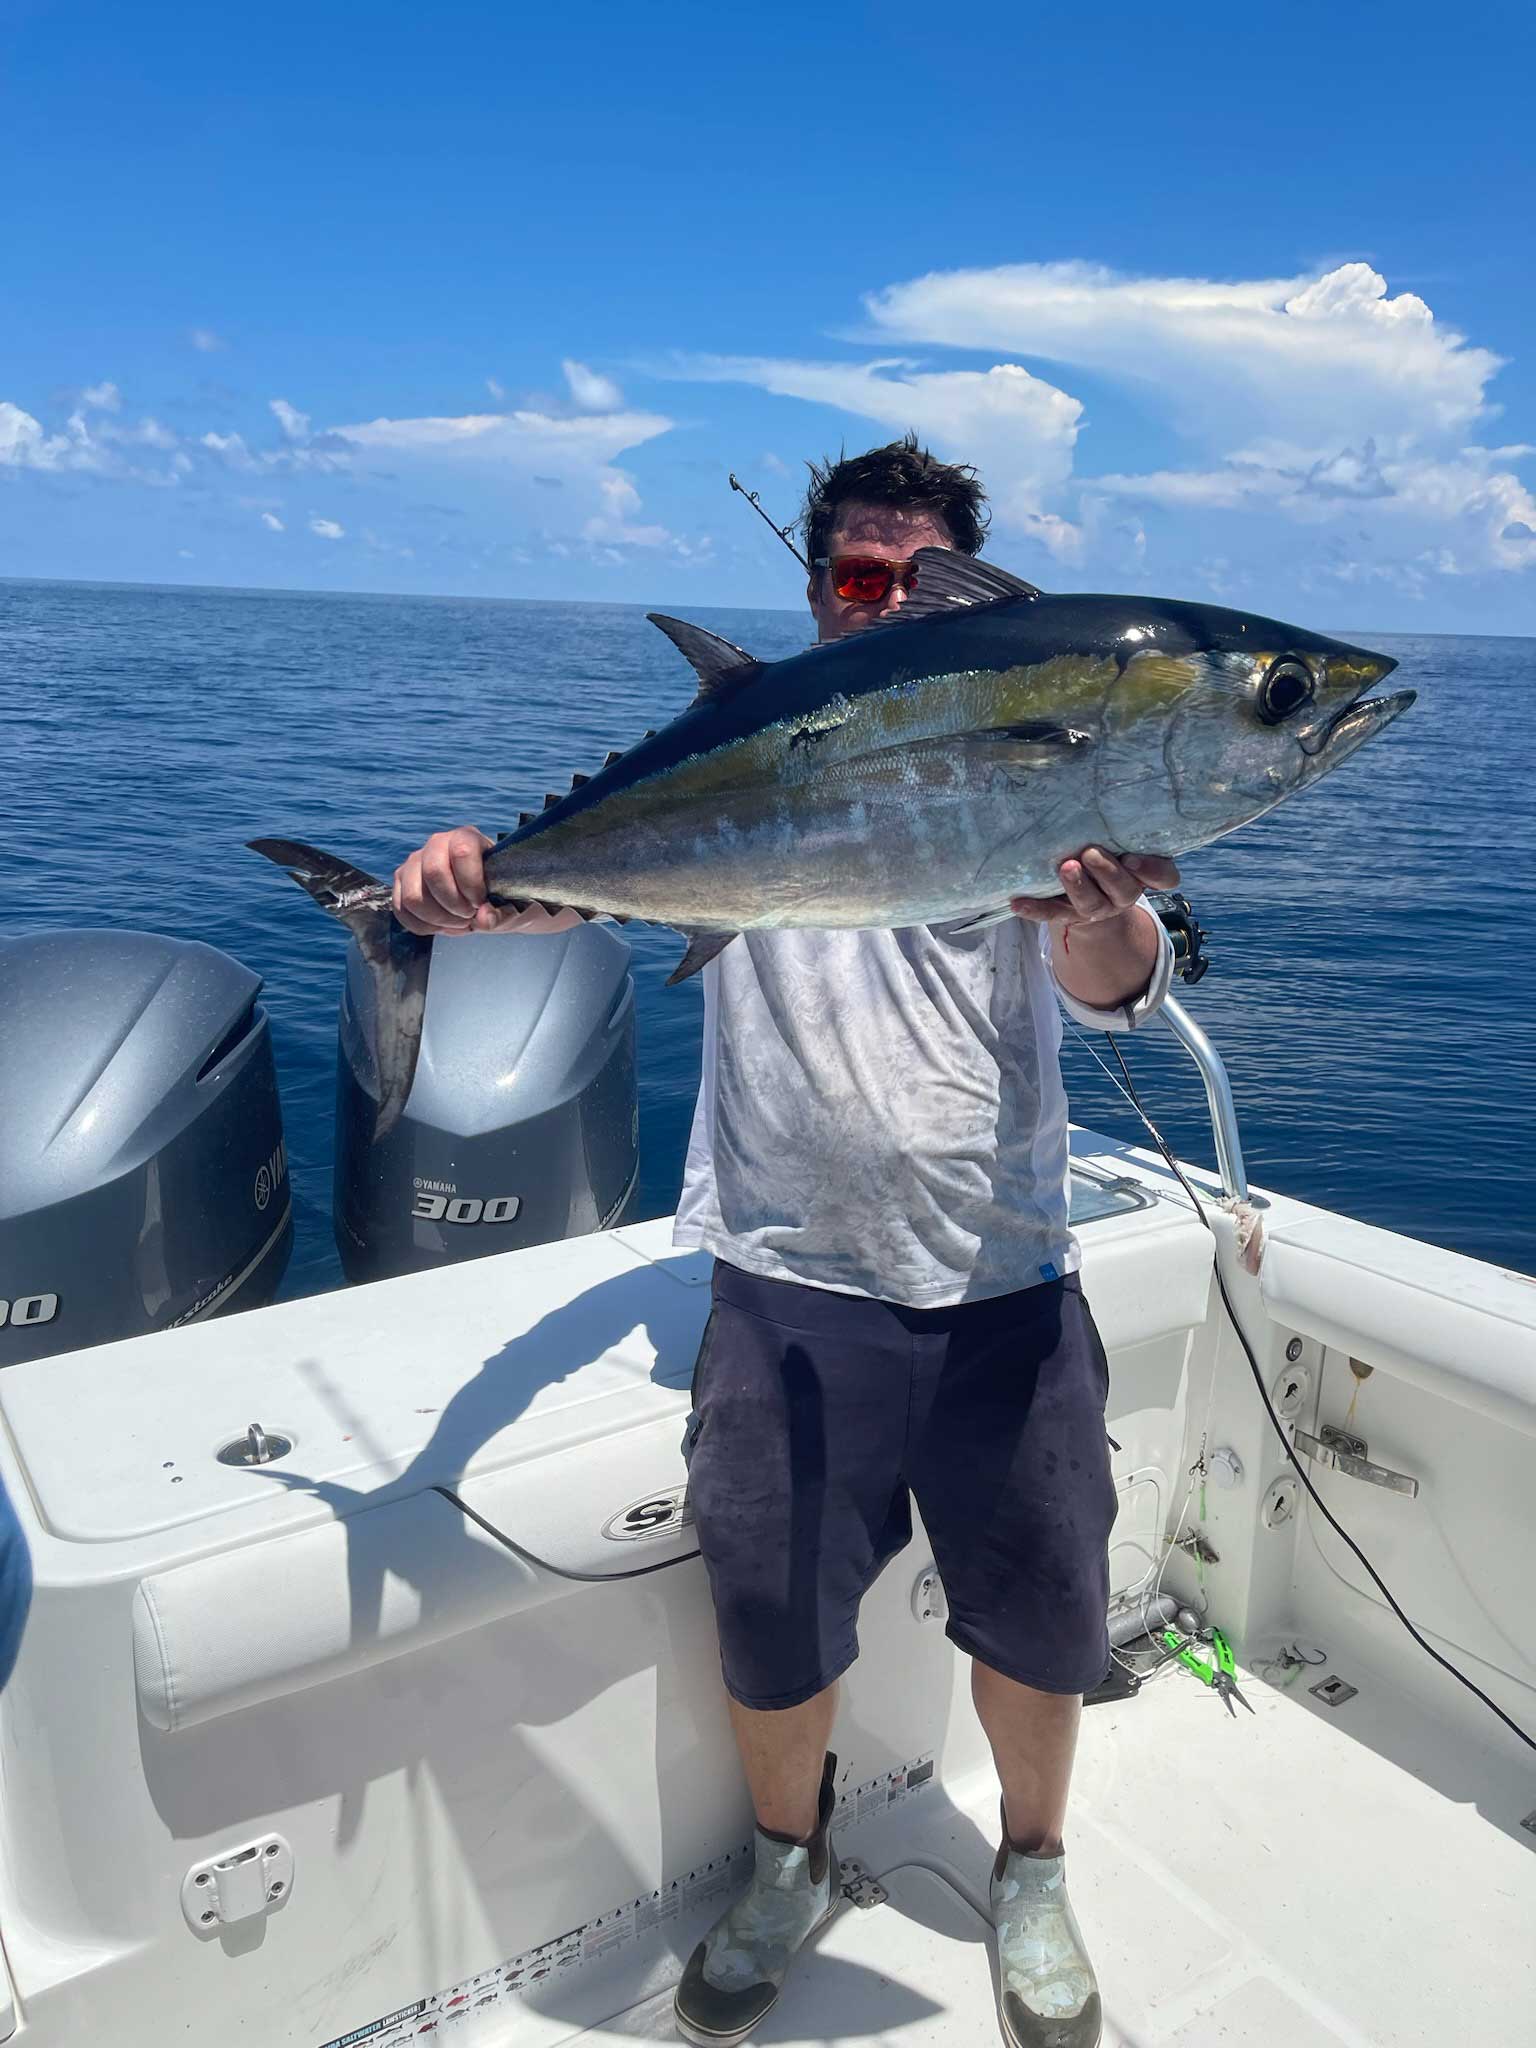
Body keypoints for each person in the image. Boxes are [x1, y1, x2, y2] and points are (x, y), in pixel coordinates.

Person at [393, 436, 1180, 2048]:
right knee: (773, 1618)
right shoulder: (752, 744)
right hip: (778, 1285)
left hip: (1003, 1278)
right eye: (854, 577)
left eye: (914, 579)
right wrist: (459, 888)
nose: (880, 599)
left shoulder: (1028, 758)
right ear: (818, 591)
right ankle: (785, 1863)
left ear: (969, 594)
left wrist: (1098, 912)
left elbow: (1116, 976)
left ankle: (1029, 1870)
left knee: (1041, 1619)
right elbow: (588, 886)